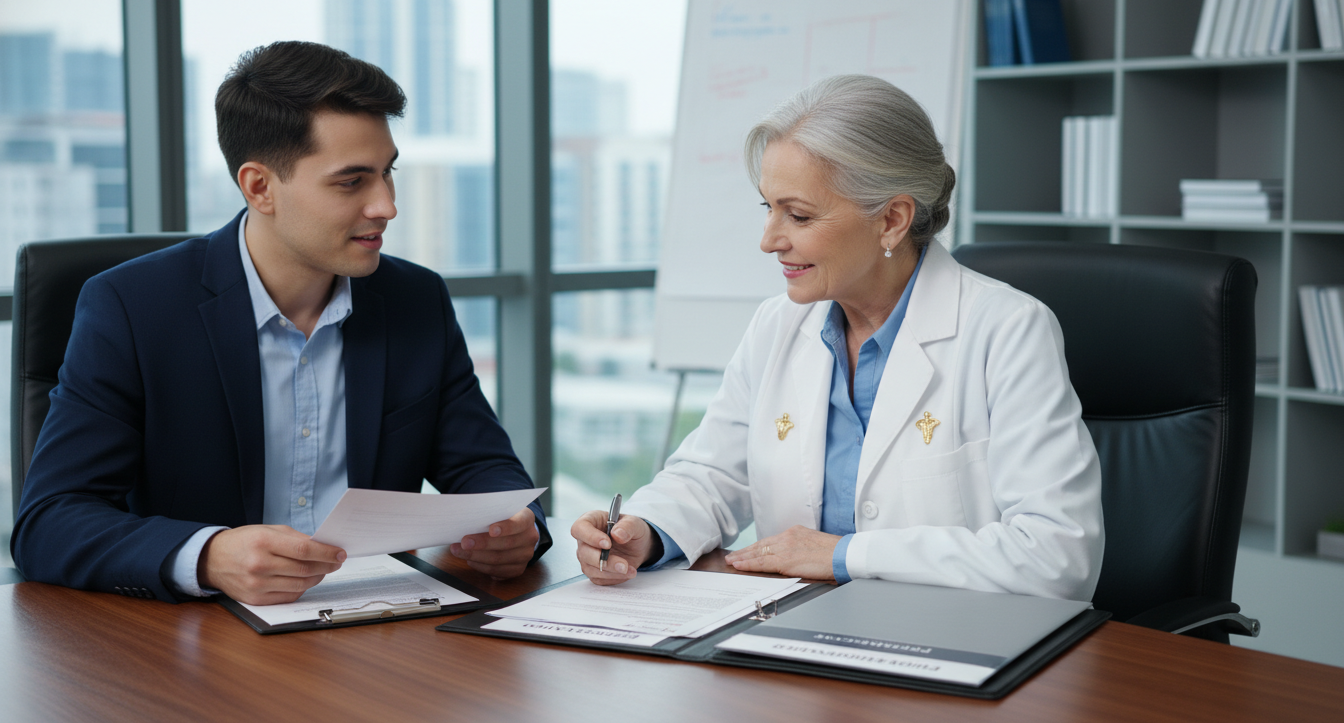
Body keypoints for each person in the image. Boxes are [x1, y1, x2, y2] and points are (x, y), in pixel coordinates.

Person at [11, 41, 550, 606]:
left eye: (388, 173)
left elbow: (484, 467)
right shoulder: (132, 307)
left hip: (381, 628)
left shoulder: (415, 299)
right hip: (198, 646)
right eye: (352, 181)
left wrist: (518, 528)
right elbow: (49, 522)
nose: (386, 205)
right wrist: (210, 555)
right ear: (259, 187)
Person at [571, 75, 1103, 600]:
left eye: (798, 215)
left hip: (945, 651)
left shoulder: (1007, 329)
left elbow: (1056, 556)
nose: (769, 241)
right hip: (793, 638)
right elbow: (712, 475)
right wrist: (645, 528)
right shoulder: (777, 325)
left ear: (892, 219)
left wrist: (844, 555)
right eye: (769, 208)